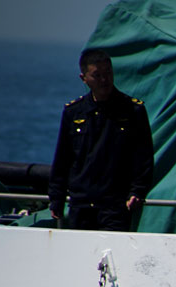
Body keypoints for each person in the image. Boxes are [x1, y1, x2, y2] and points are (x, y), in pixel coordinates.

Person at [48, 48, 154, 231]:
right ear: (84, 78)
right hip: (81, 205)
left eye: (108, 73)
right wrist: (56, 197)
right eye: (97, 75)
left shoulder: (132, 111)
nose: (104, 80)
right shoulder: (74, 112)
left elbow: (144, 157)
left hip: (115, 205)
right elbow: (63, 159)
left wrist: (137, 190)